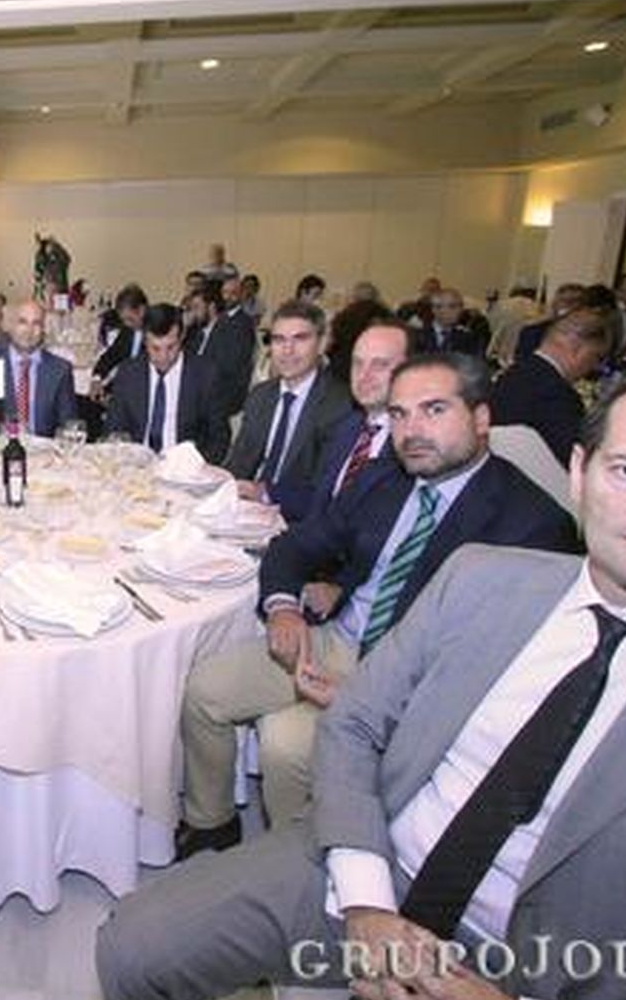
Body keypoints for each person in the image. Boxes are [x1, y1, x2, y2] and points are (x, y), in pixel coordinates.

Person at [100, 359, 626, 1000]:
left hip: (562, 967)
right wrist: (369, 905)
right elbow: (355, 725)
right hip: (377, 867)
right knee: (131, 946)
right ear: (582, 470)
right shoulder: (482, 575)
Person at [172, 351, 579, 858]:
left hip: (409, 683)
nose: (412, 430)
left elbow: (507, 675)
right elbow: (297, 546)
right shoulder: (385, 481)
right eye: (400, 414)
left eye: (433, 410)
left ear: (480, 418)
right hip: (335, 638)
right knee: (203, 689)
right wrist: (282, 608)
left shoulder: (532, 525)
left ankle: (298, 867)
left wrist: (373, 696)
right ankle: (212, 821)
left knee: (285, 746)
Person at [223, 302, 352, 522]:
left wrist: (264, 493)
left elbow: (327, 494)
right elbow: (239, 464)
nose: (287, 350)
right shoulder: (261, 395)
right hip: (243, 514)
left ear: (322, 344)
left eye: (300, 339)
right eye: (279, 339)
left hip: (297, 522)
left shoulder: (341, 406)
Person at [300, 319, 413, 523]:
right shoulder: (347, 427)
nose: (364, 375)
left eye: (380, 365)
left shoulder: (414, 442)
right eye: (358, 363)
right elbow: (318, 500)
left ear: (411, 370)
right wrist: (263, 492)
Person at [103, 303, 229, 463]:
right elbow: (113, 430)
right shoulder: (129, 373)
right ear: (144, 340)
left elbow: (220, 438)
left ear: (182, 336)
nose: (163, 357)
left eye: (171, 347)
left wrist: (197, 467)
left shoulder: (205, 375)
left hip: (185, 469)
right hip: (136, 468)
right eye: (155, 348)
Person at [490, 310, 613, 466]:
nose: (595, 366)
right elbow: (575, 460)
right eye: (597, 357)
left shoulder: (509, 375)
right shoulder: (560, 396)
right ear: (578, 349)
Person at [1, 298, 77, 437]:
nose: (29, 331)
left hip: (45, 453)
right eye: (22, 322)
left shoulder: (60, 370)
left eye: (36, 323)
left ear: (43, 329)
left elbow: (68, 426)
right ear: (10, 326)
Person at [207, 276, 260, 416]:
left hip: (230, 391)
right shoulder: (222, 318)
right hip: (215, 385)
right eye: (225, 292)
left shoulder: (244, 323)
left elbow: (237, 362)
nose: (228, 297)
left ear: (241, 295)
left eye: (233, 293)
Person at [92, 284, 150, 388]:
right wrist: (97, 378)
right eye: (123, 320)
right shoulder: (128, 330)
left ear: (142, 310)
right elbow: (111, 355)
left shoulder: (156, 333)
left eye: (130, 319)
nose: (127, 324)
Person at [413, 288, 483, 357]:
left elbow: (477, 365)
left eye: (460, 307)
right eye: (452, 307)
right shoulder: (417, 336)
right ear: (436, 309)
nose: (458, 311)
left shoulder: (470, 339)